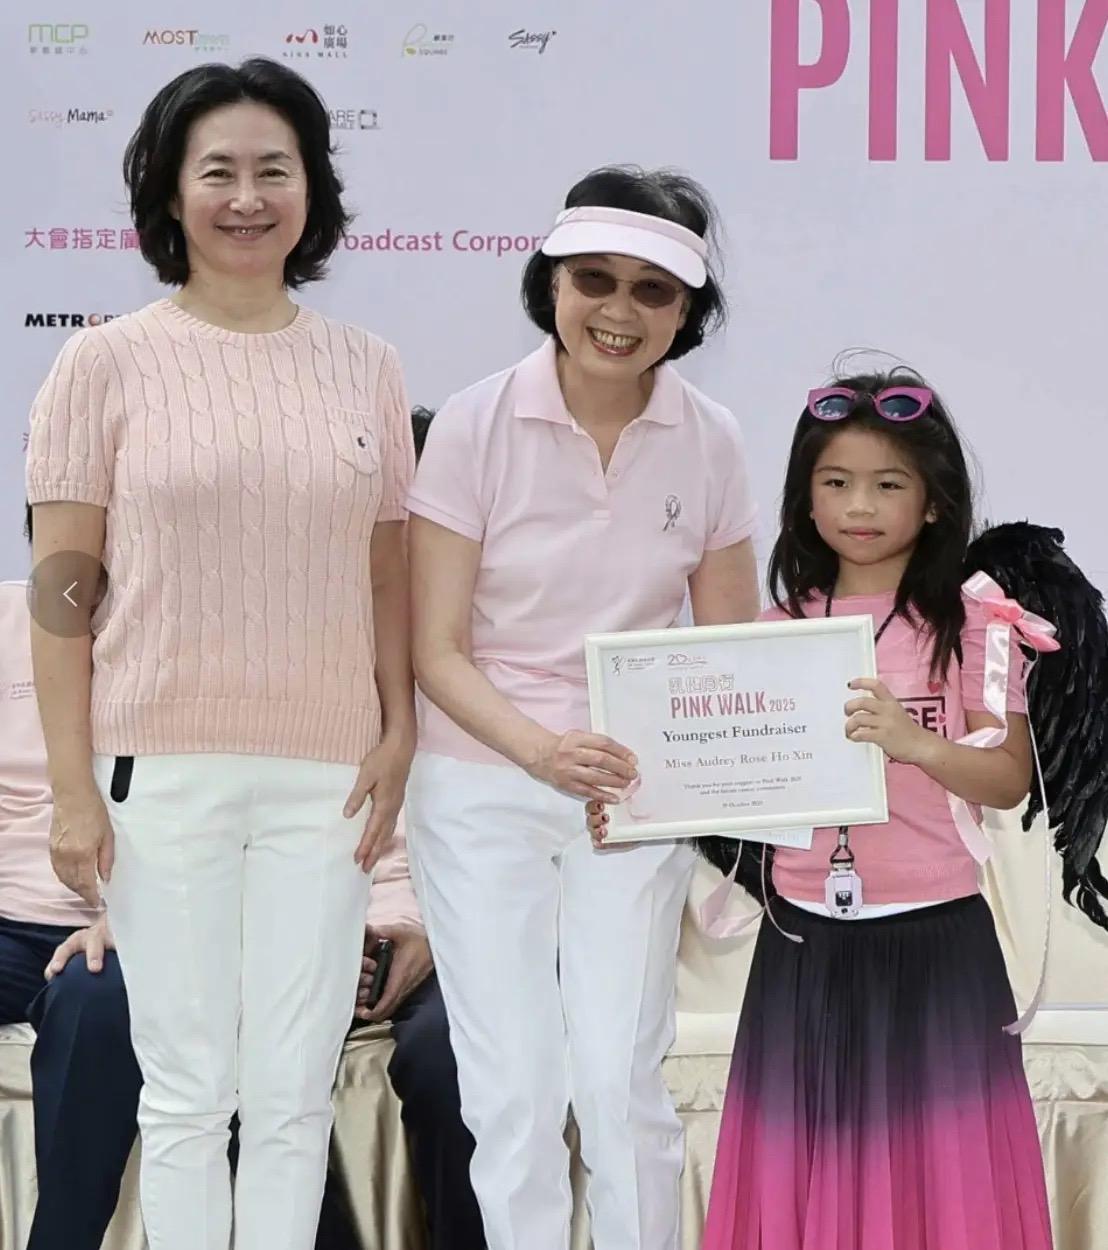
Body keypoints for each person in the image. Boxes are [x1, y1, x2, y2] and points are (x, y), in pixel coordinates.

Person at [25, 58, 415, 1250]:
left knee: (293, 1094)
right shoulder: (103, 362)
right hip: (163, 771)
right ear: (169, 189)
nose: (247, 198)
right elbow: (63, 593)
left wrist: (398, 729)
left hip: (328, 778)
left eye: (273, 171)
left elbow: (385, 573)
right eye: (218, 172)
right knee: (188, 1092)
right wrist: (74, 787)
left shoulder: (368, 365)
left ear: (313, 189)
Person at [593, 370, 1057, 1250]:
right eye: (836, 482)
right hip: (804, 943)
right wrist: (641, 806)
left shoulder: (976, 623)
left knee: (944, 1185)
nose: (860, 505)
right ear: (805, 499)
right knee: (805, 1178)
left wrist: (913, 742)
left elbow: (1007, 780)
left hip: (937, 939)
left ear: (933, 502)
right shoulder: (773, 632)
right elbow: (724, 780)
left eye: (889, 484)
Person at [406, 166, 761, 1250]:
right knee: (512, 1089)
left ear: (688, 310)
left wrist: (676, 774)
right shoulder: (473, 423)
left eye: (653, 290)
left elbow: (727, 655)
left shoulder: (712, 438)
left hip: (633, 797)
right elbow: (434, 647)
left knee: (619, 1079)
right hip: (482, 781)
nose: (618, 310)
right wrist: (541, 750)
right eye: (593, 280)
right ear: (550, 283)